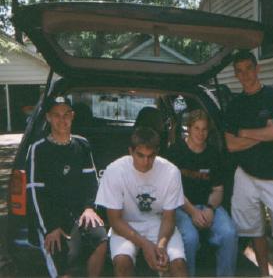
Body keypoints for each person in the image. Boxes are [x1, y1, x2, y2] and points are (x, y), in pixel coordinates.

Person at [224, 51, 273, 276]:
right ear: (236, 75)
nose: (245, 74)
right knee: (255, 231)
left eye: (249, 68)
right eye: (239, 71)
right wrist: (264, 132)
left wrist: (245, 132)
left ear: (258, 69)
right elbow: (231, 145)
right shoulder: (234, 105)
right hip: (245, 175)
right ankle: (264, 273)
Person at [26, 96, 107, 277]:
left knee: (101, 239)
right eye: (56, 115)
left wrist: (89, 208)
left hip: (79, 213)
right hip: (51, 218)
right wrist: (50, 227)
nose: (62, 120)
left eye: (66, 114)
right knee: (62, 262)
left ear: (73, 116)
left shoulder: (82, 144)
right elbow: (34, 193)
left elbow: (91, 182)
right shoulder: (38, 149)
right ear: (48, 117)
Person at [95, 126, 188, 277]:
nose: (145, 162)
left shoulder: (171, 172)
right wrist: (145, 245)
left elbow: (169, 218)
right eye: (140, 155)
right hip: (126, 224)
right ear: (131, 151)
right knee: (122, 263)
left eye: (151, 156)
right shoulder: (115, 170)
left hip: (159, 224)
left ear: (157, 152)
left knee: (178, 265)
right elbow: (114, 220)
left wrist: (161, 246)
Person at [166, 109, 238, 277]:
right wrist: (192, 212)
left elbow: (218, 189)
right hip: (181, 206)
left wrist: (210, 209)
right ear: (188, 128)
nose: (200, 133)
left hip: (207, 204)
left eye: (204, 129)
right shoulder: (175, 151)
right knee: (190, 238)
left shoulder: (213, 154)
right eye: (196, 128)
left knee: (229, 233)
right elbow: (171, 191)